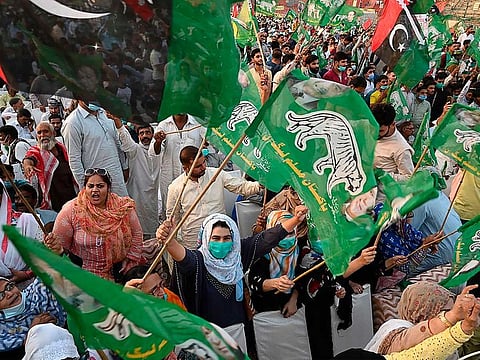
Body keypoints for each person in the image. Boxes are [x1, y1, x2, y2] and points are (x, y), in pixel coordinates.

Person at [156, 206, 307, 329]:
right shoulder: (198, 261)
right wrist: (169, 241)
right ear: (205, 238)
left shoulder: (238, 255)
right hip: (210, 333)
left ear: (233, 239)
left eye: (227, 238)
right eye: (215, 238)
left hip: (238, 327)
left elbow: (267, 238)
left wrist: (295, 219)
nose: (221, 243)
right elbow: (183, 257)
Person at [50, 168, 144, 281]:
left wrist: (130, 261)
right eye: (90, 186)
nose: (95, 190)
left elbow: (137, 234)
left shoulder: (123, 208)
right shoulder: (72, 210)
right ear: (85, 188)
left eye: (100, 186)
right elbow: (61, 246)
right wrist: (53, 245)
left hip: (119, 273)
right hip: (83, 276)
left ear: (108, 188)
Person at [166, 146, 262, 250]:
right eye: (198, 166)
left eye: (204, 162)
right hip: (193, 239)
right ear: (185, 168)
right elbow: (172, 218)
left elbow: (242, 187)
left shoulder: (217, 174)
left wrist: (260, 185)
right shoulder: (176, 187)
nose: (203, 167)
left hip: (219, 235)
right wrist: (173, 243)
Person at [365, 282, 475, 355]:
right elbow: (407, 341)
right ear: (422, 312)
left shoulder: (442, 336)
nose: (449, 314)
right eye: (444, 312)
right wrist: (452, 316)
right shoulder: (397, 330)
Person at [61, 100, 128, 196]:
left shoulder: (106, 114)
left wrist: (124, 167)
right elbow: (74, 160)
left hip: (117, 179)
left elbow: (117, 143)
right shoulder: (73, 123)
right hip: (96, 186)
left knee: (122, 209)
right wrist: (85, 188)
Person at [111, 115, 161, 238]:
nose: (145, 136)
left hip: (158, 198)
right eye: (142, 133)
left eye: (148, 133)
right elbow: (125, 139)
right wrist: (118, 122)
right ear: (138, 137)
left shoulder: (161, 150)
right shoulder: (135, 150)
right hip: (139, 198)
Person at [148, 114, 204, 220]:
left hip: (192, 177)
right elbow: (154, 152)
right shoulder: (164, 125)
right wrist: (158, 141)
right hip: (169, 178)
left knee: (193, 209)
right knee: (171, 212)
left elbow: (207, 145)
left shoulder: (197, 124)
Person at [248, 211, 300, 317]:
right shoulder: (262, 252)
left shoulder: (300, 251)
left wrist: (294, 299)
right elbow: (254, 282)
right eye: (283, 232)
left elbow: (303, 279)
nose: (287, 237)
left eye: (291, 232)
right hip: (266, 311)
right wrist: (275, 283)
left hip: (294, 311)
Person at [0, 277, 66, 359]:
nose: (9, 294)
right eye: (0, 296)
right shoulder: (2, 333)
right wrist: (33, 332)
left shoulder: (39, 289)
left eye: (9, 287)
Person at [22, 122, 77, 212]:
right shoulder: (36, 151)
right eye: (39, 133)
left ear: (53, 133)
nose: (42, 135)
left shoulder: (63, 149)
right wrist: (28, 165)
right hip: (53, 203)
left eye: (46, 131)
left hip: (71, 198)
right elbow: (29, 158)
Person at [0, 180, 43, 282]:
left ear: (2, 196)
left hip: (30, 289)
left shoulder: (28, 222)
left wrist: (27, 274)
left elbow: (46, 255)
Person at [372, 104, 414, 183]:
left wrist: (385, 176)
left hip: (382, 190)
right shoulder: (371, 131)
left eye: (381, 131)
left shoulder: (401, 148)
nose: (376, 133)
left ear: (393, 124)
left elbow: (408, 177)